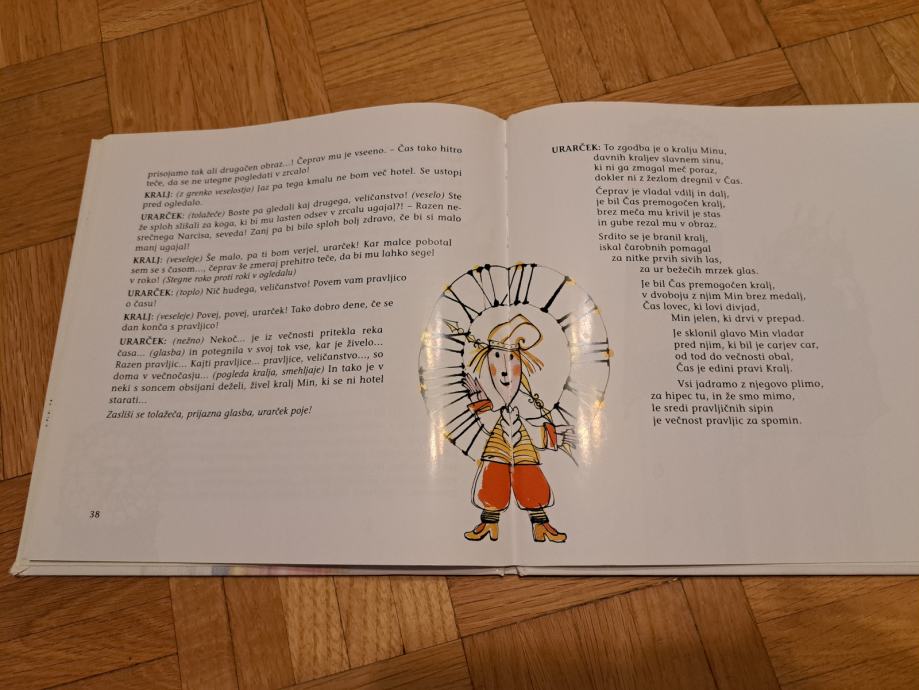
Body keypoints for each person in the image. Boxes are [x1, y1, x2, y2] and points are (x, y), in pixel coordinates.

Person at [462, 314, 574, 543]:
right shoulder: (496, 399)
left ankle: (541, 525)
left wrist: (556, 436)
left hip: (523, 448)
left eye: (512, 359)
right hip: (498, 447)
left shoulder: (527, 400)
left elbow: (536, 424)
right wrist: (480, 401)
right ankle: (489, 523)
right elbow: (490, 416)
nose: (504, 370)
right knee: (492, 478)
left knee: (530, 479)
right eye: (496, 358)